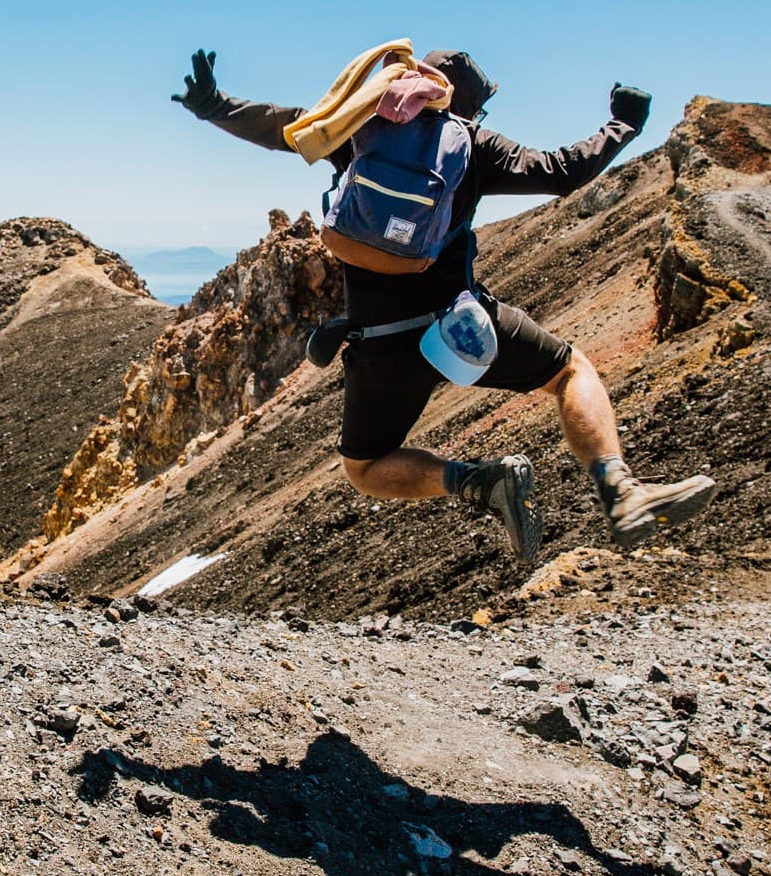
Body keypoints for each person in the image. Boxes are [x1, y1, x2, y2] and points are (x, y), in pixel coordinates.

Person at [172, 47, 715, 561]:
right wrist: (623, 123)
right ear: (466, 101)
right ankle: (620, 490)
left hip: (379, 346)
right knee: (570, 371)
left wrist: (213, 105)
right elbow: (563, 171)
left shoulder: (363, 128)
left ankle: (475, 481)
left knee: (366, 468)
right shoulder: (475, 143)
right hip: (460, 328)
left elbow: (285, 127)